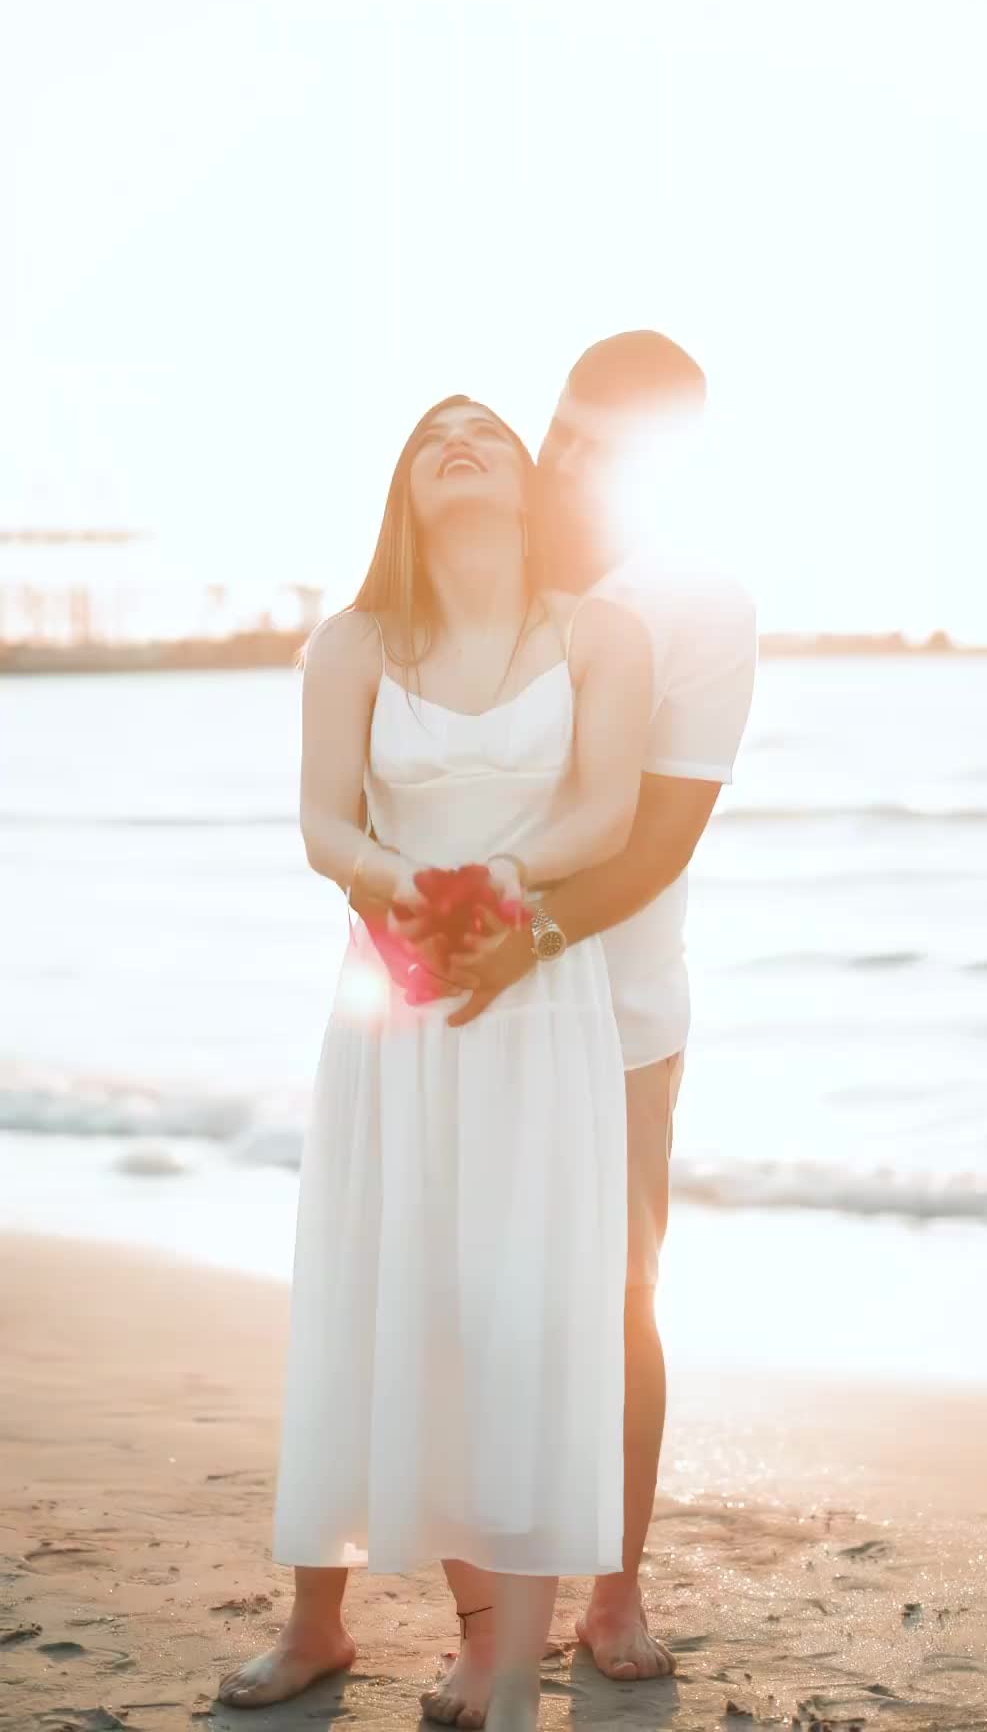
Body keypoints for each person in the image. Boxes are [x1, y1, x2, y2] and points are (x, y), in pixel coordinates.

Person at [216, 394, 652, 1730]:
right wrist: (406, 884)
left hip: (534, 990)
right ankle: (318, 1622)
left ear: (527, 486)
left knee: (510, 1312)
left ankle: (487, 1638)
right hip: (394, 988)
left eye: (487, 433)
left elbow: (607, 812)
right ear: (404, 489)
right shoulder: (353, 641)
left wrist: (499, 887)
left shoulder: (601, 631)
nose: (459, 442)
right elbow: (320, 822)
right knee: (373, 1284)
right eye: (431, 435)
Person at [411, 333, 757, 1725]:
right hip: (467, 998)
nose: (570, 466)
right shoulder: (488, 560)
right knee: (475, 1310)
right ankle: (488, 1623)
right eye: (562, 433)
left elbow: (663, 838)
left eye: (608, 449)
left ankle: (615, 1585)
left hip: (614, 1009)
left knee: (618, 1301)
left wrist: (524, 944)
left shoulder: (697, 602)